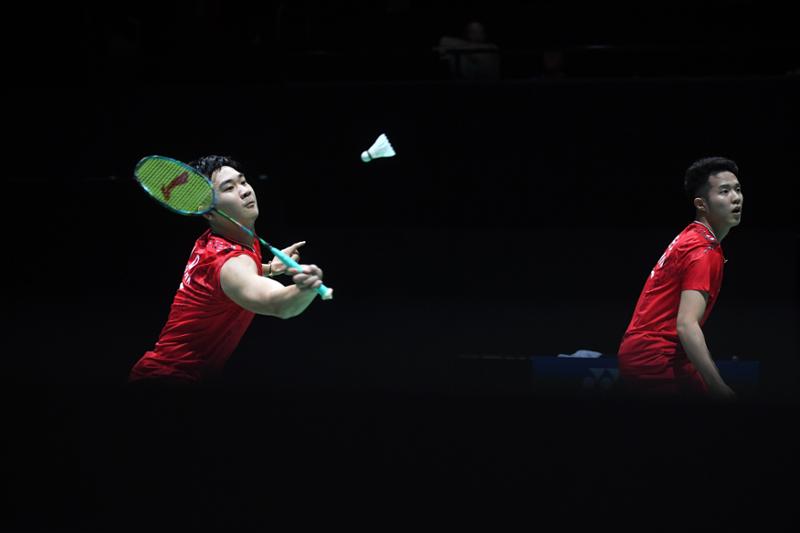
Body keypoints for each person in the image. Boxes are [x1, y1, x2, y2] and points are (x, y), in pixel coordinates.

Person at [129, 155, 325, 385]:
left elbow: (227, 280)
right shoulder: (228, 262)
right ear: (207, 210)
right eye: (229, 188)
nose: (245, 191)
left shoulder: (219, 240)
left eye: (243, 181)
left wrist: (270, 269)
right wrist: (305, 288)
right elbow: (277, 304)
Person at [618, 157, 743, 401]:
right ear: (701, 204)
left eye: (737, 189)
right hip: (655, 358)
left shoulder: (692, 235)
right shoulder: (702, 251)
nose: (736, 198)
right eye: (724, 191)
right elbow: (686, 324)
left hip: (663, 353)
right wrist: (718, 386)